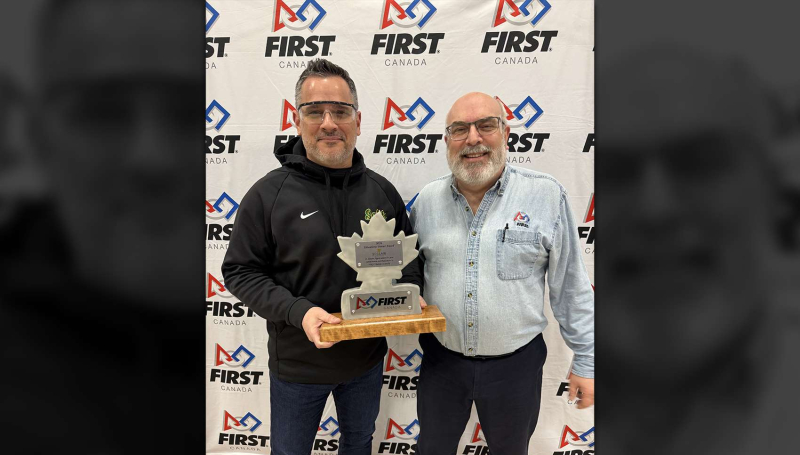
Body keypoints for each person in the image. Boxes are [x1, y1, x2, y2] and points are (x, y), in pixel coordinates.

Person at [222, 58, 423, 455]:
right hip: (298, 368)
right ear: (298, 121)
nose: (329, 122)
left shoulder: (382, 193)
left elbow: (409, 263)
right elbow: (240, 271)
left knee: (359, 443)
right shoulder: (268, 195)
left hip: (366, 362)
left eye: (340, 111)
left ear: (359, 120)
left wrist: (406, 297)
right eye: (315, 111)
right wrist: (300, 311)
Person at [409, 92, 594, 454]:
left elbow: (570, 287)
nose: (473, 138)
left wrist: (587, 360)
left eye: (486, 126)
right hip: (442, 363)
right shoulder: (426, 202)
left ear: (506, 133)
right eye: (460, 129)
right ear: (446, 141)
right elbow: (410, 271)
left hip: (516, 368)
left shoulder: (545, 195)